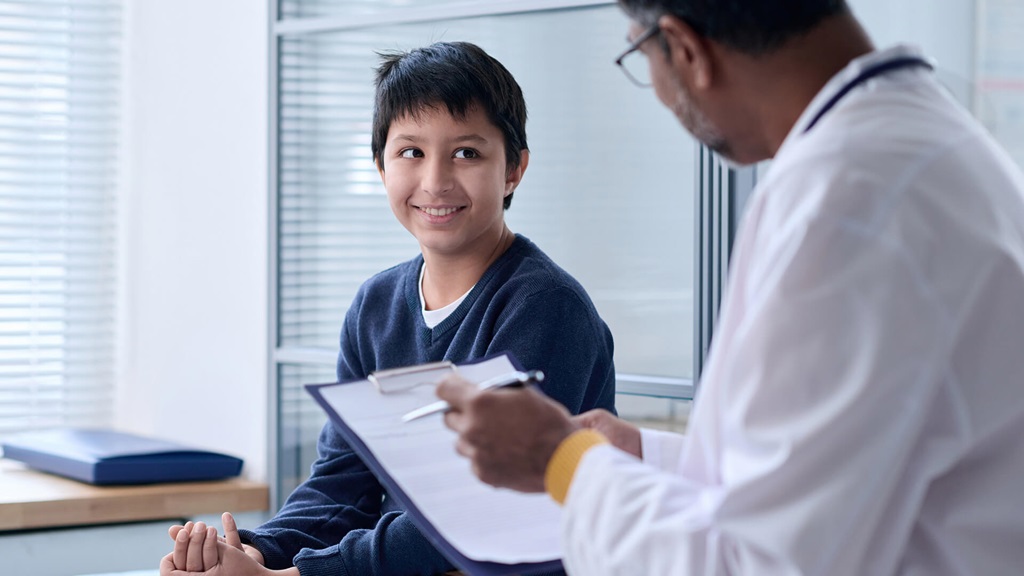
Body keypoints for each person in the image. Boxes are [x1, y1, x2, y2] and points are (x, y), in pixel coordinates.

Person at [436, 1, 1024, 575]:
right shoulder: (923, 143)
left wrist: (560, 460)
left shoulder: (850, 206)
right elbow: (826, 477)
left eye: (642, 56)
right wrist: (646, 455)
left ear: (686, 49)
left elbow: (756, 561)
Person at [160, 41, 616, 576]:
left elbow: (475, 510)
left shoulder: (545, 307)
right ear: (380, 166)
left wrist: (297, 575)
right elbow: (342, 483)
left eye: (466, 153)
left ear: (514, 169)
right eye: (411, 153)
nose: (435, 181)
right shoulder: (375, 306)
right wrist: (257, 551)